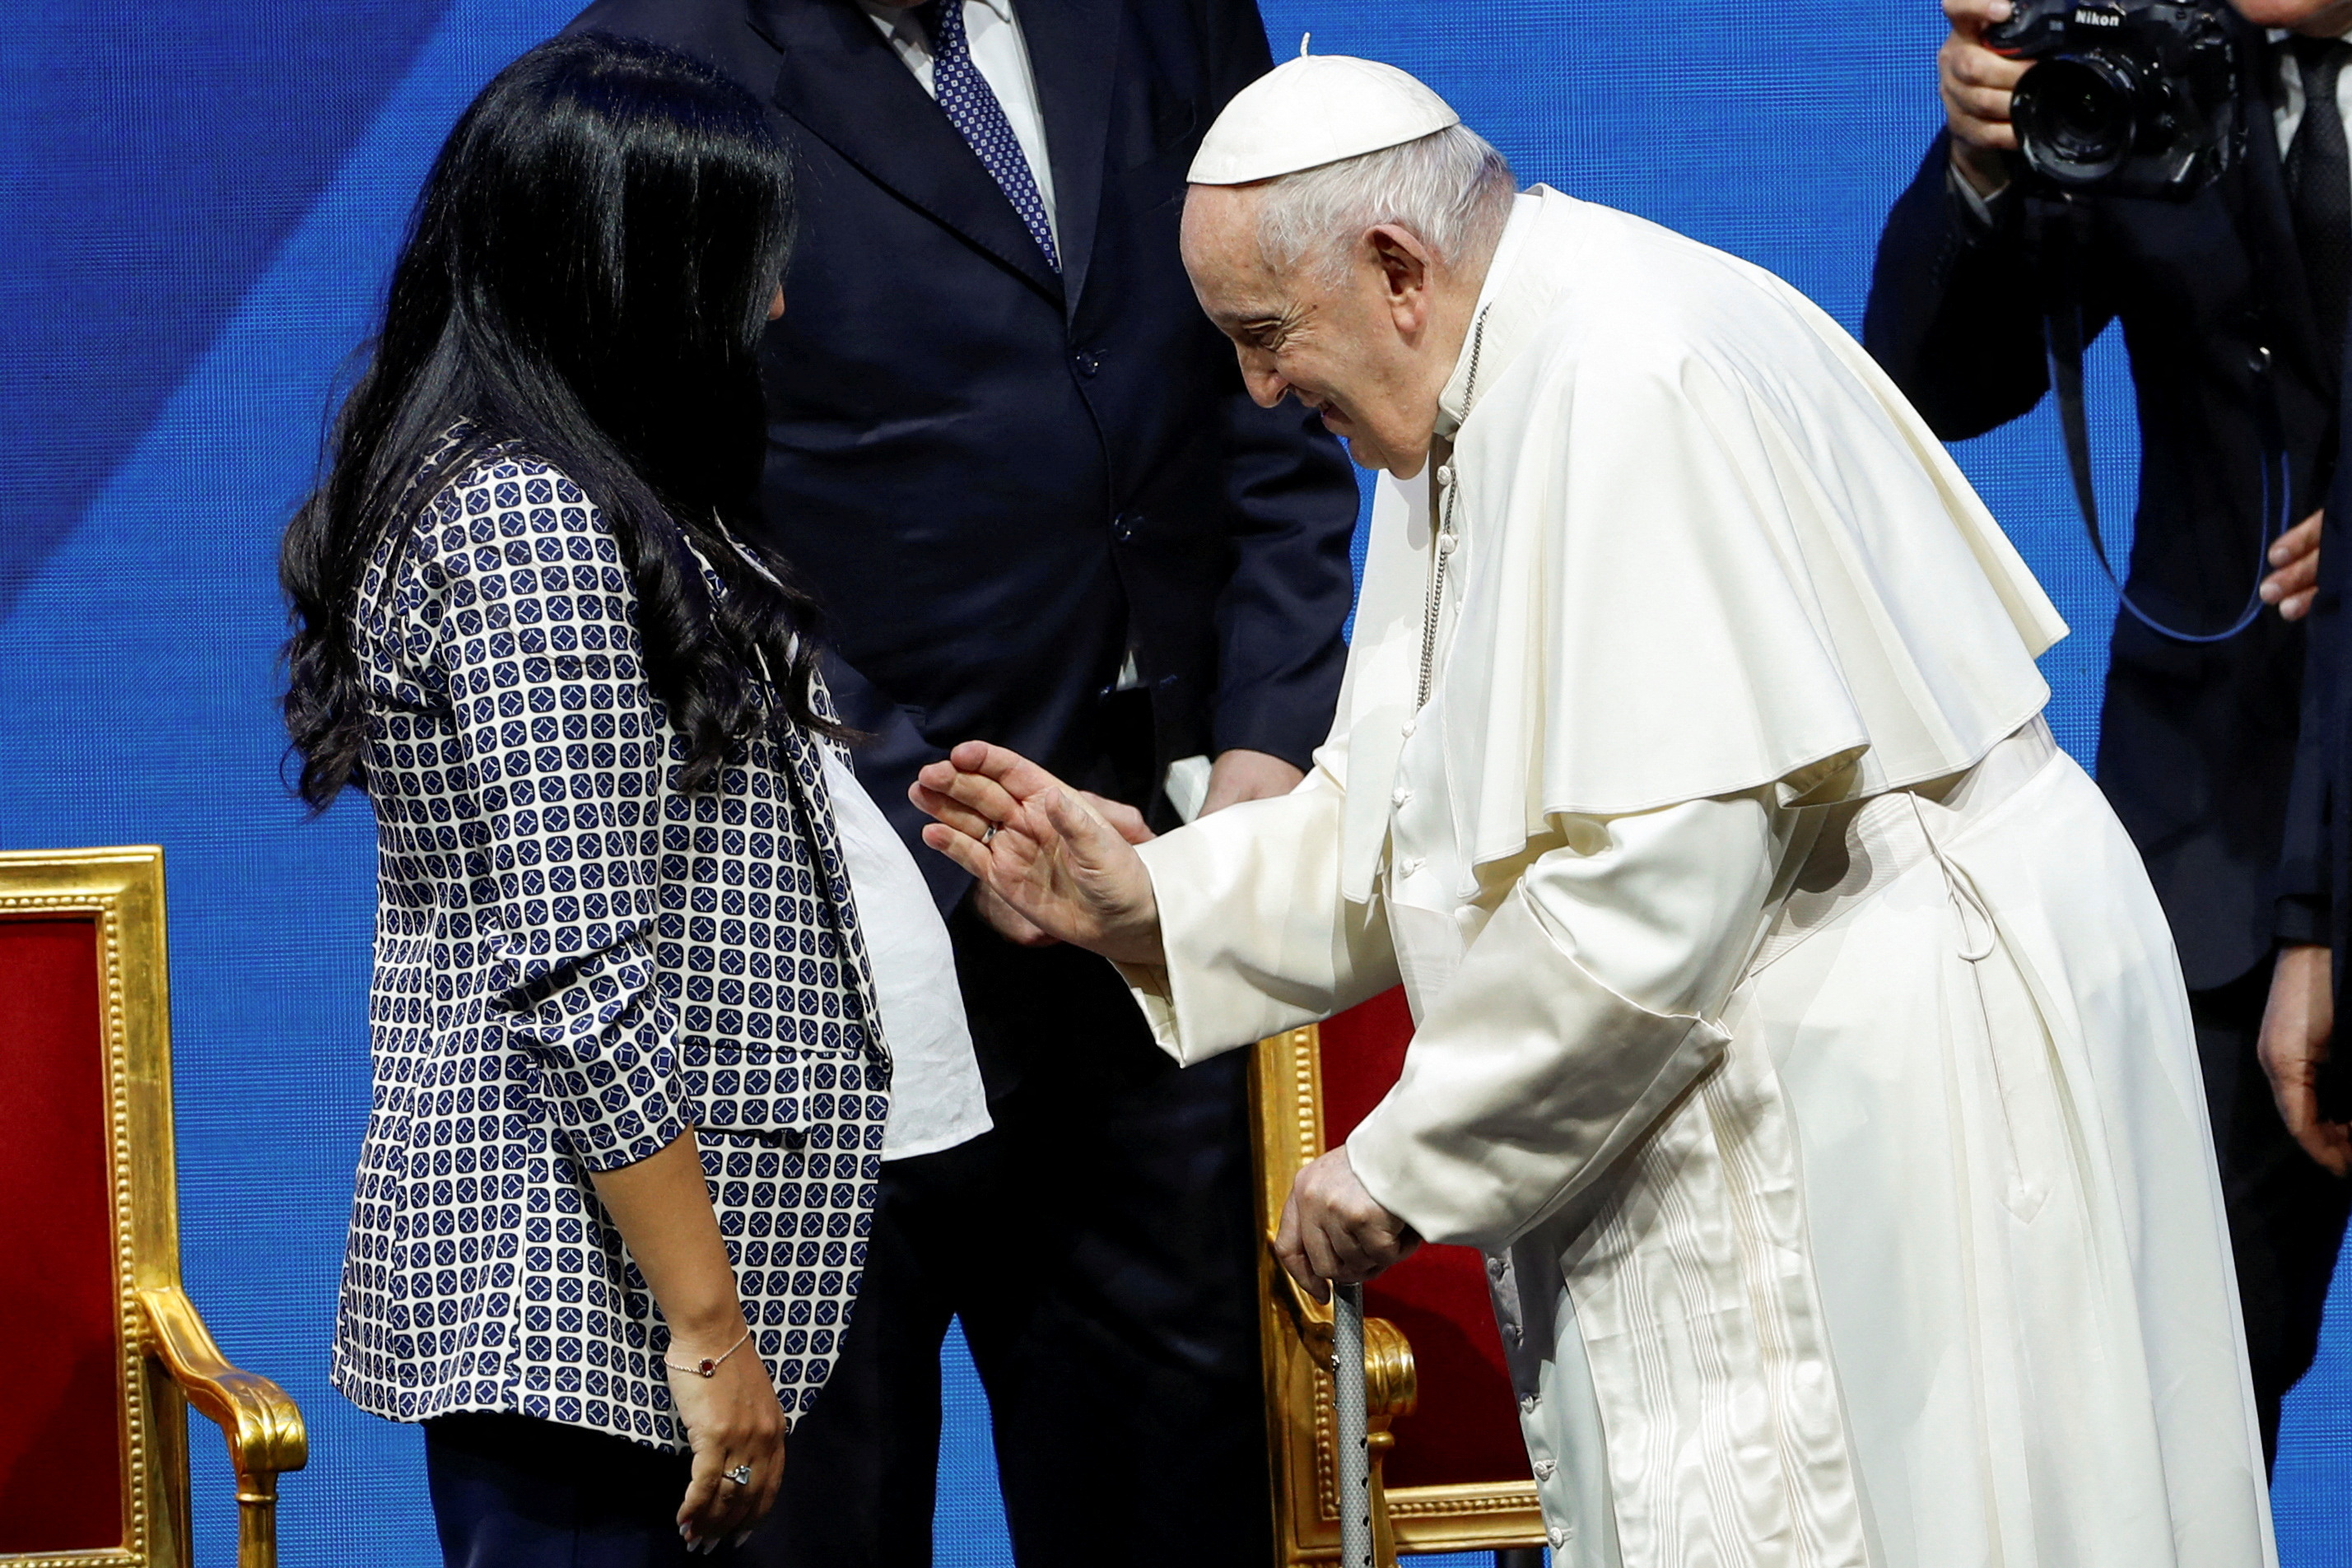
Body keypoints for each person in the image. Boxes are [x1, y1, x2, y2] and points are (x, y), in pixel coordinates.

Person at [915, 53, 2277, 1568]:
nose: (1259, 390)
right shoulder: (1476, 379)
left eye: (1263, 335)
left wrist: (1400, 1162)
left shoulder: (1621, 375)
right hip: (1794, 1004)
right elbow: (1409, 804)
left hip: (1901, 1037)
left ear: (1393, 268)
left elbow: (1653, 891)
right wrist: (1156, 898)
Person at [550, 2, 1361, 1564]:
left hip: (1143, 884)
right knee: (830, 1506)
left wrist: (1261, 754)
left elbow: (1264, 379)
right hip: (821, 910)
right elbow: (654, 501)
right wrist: (953, 828)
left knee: (1176, 1486)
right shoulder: (656, 57)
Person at [279, 34, 990, 1560]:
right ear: (615, 273)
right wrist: (711, 1332)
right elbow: (580, 969)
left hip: (669, 1295)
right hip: (599, 1321)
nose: (777, 305)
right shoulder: (527, 517)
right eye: (740, 265)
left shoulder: (584, 477)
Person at [1864, 0, 2352, 1459]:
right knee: (2178, 1394)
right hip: (2218, 830)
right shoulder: (2139, 57)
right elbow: (1936, 379)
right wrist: (1984, 164)